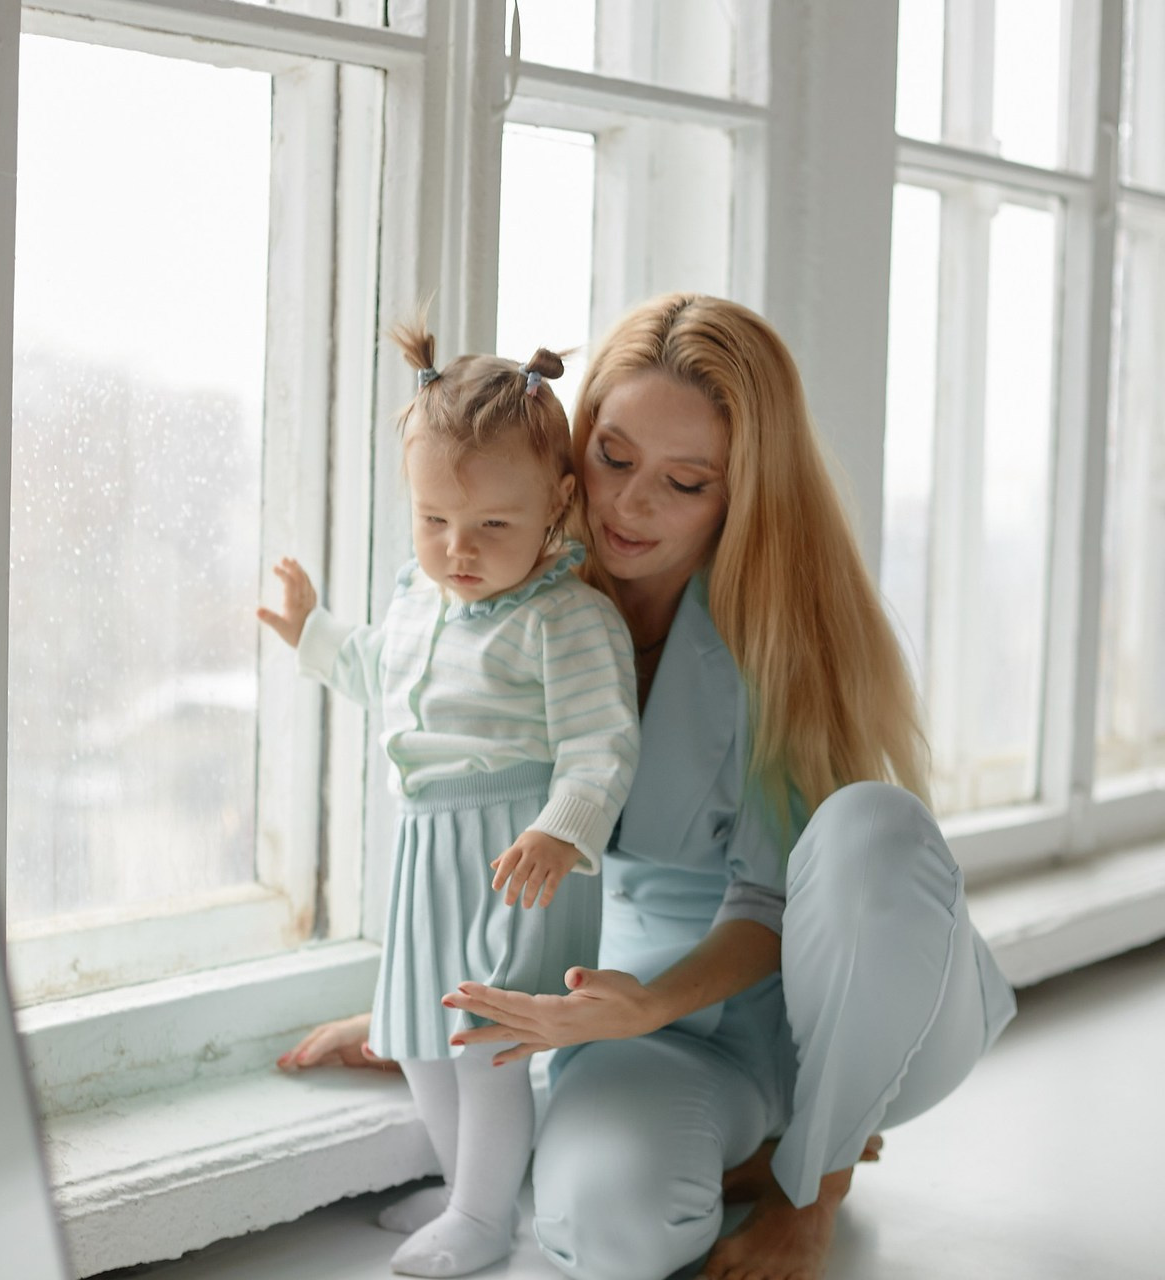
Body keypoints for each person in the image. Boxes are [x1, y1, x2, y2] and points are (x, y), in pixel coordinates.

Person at [282, 294, 1016, 1280]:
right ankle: (744, 1151)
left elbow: (766, 904)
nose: (630, 505)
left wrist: (807, 1199)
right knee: (605, 1232)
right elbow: (484, 822)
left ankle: (814, 1174)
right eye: (613, 457)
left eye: (682, 481)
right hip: (647, 1018)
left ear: (740, 491)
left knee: (871, 829)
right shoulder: (525, 600)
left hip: (853, 987)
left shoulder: (780, 633)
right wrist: (425, 1001)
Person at [258, 319, 640, 1280]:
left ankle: (482, 1215)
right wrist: (315, 634)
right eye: (435, 522)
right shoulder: (422, 599)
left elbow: (602, 747)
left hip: (516, 855)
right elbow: (377, 671)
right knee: (420, 1033)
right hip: (426, 849)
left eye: (491, 528)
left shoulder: (566, 618)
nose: (457, 550)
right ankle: (466, 1184)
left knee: (484, 1041)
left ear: (557, 505)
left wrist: (562, 833)